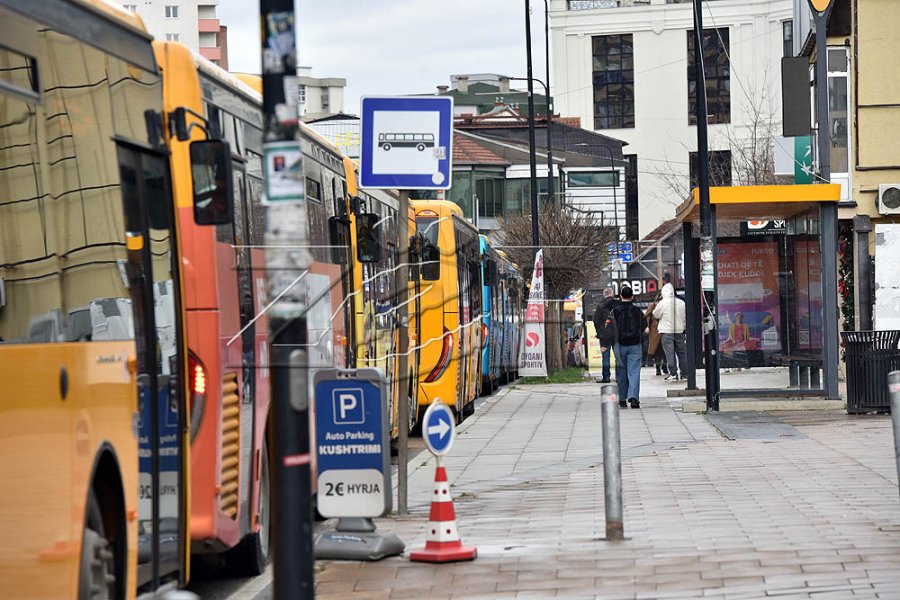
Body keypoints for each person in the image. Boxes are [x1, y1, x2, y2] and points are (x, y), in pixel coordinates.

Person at [611, 286, 647, 409]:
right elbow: (644, 326)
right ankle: (634, 398)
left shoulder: (615, 311)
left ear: (621, 296)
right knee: (634, 372)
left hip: (620, 345)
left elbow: (610, 328)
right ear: (632, 296)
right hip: (635, 345)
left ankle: (622, 398)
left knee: (621, 371)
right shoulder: (637, 311)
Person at [653, 281, 689, 381]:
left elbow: (655, 314)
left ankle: (673, 373)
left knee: (670, 353)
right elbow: (685, 316)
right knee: (681, 353)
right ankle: (684, 374)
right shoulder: (681, 302)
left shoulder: (662, 303)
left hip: (666, 331)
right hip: (679, 330)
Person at [592, 288, 619, 383]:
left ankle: (606, 377)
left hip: (605, 335)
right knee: (618, 357)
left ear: (604, 295)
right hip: (617, 335)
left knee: (605, 357)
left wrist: (600, 332)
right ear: (612, 294)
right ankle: (619, 377)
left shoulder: (600, 306)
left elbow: (596, 320)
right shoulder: (617, 304)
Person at [645, 293, 669, 377]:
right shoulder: (653, 305)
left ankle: (664, 366)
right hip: (655, 330)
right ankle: (658, 367)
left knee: (665, 350)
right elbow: (647, 315)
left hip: (664, 329)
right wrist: (647, 326)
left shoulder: (666, 305)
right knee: (657, 350)